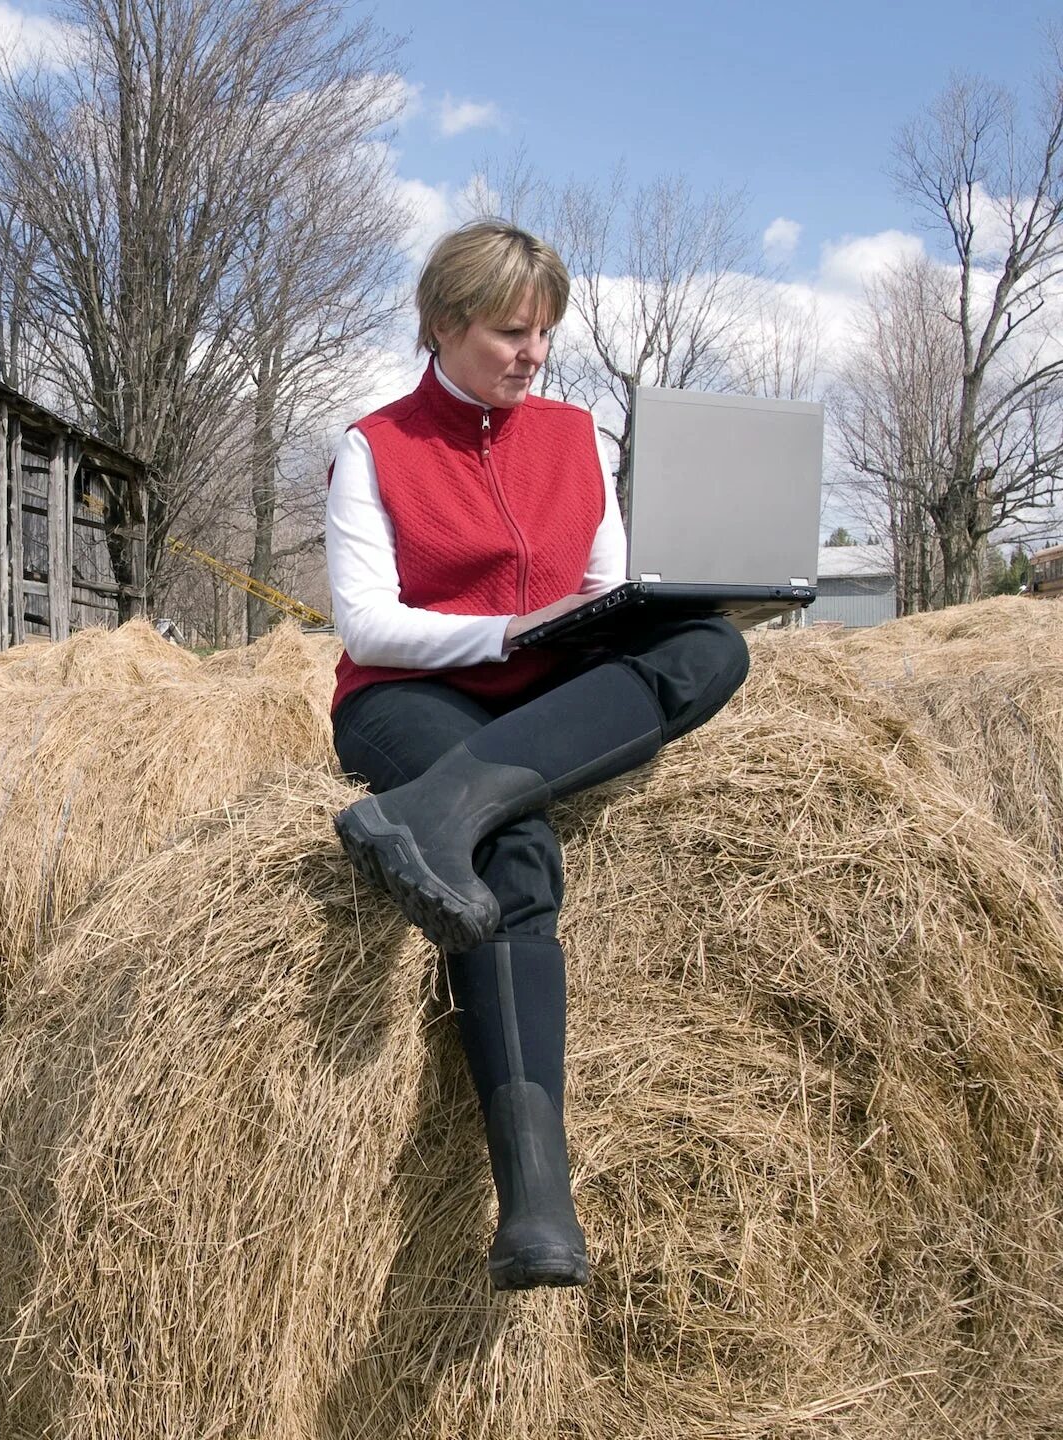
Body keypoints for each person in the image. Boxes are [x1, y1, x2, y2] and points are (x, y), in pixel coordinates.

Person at [325, 219, 749, 1291]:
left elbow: (601, 584)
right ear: (443, 325)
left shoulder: (576, 437)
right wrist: (500, 633)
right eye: (512, 333)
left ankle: (437, 814)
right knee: (515, 858)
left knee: (711, 646)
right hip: (412, 694)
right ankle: (534, 1203)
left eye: (545, 334)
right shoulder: (377, 445)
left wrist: (600, 618)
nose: (533, 354)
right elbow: (368, 626)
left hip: (547, 681)